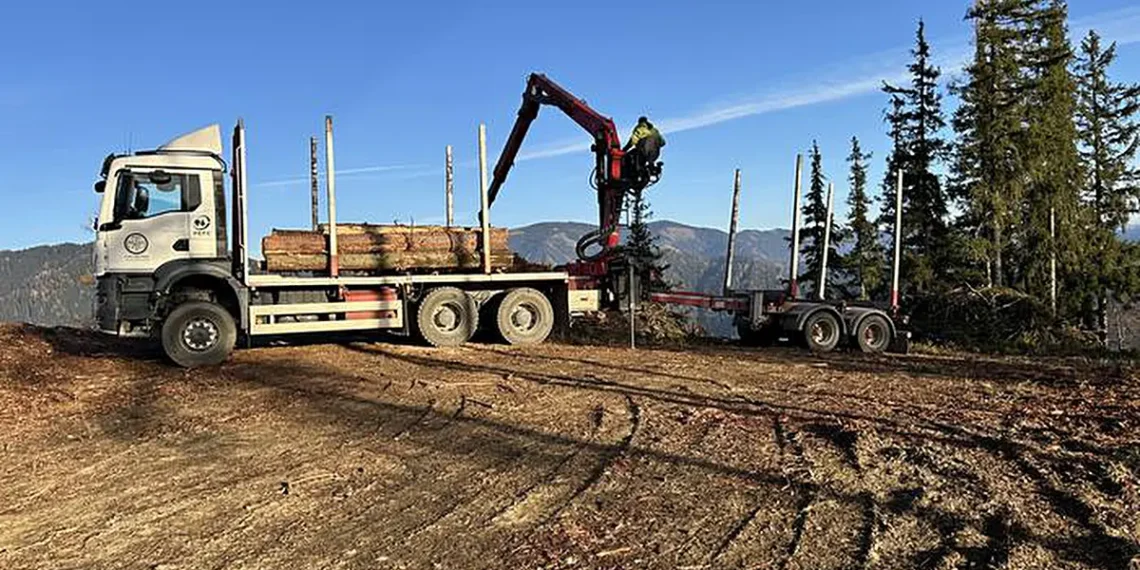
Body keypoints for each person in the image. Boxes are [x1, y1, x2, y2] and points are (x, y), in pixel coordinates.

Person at [623, 116, 665, 181]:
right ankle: (651, 167)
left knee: (631, 156)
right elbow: (662, 142)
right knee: (648, 160)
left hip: (643, 150)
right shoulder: (654, 130)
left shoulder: (640, 128)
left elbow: (633, 140)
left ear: (640, 122)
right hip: (655, 153)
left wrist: (625, 149)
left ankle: (636, 173)